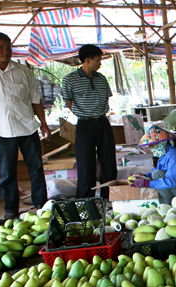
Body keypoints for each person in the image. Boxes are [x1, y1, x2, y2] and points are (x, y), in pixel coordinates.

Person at [0, 32, 49, 225]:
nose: (5, 51)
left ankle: (41, 206)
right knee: (7, 173)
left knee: (36, 169)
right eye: (0, 48)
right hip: (1, 130)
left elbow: (35, 99)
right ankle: (11, 211)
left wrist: (43, 123)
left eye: (8, 47)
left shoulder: (23, 71)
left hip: (28, 127)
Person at [62, 44, 116, 199]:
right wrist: (84, 113)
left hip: (102, 122)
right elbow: (68, 102)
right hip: (84, 124)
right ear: (87, 60)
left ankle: (109, 195)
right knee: (86, 162)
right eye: (98, 60)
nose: (100, 63)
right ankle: (86, 198)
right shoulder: (70, 80)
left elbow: (106, 97)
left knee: (108, 161)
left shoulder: (101, 78)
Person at [130, 125, 176, 205]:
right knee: (156, 173)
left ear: (162, 143)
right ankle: (167, 204)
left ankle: (166, 204)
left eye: (152, 145)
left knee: (157, 174)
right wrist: (144, 176)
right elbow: (158, 171)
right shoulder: (164, 155)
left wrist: (147, 183)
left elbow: (171, 181)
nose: (150, 148)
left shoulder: (173, 156)